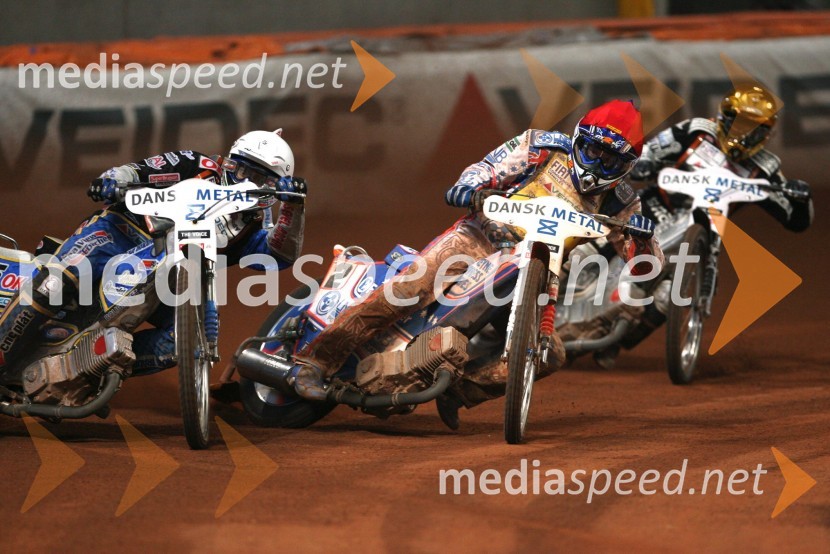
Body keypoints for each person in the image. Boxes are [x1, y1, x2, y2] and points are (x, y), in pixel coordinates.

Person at [291, 99, 663, 429]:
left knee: (549, 354)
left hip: (538, 271)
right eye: (593, 151)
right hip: (478, 239)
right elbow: (489, 167)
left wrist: (643, 238)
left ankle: (457, 391)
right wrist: (469, 186)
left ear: (627, 166)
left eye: (611, 159)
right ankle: (315, 361)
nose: (598, 164)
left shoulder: (622, 201)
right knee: (408, 289)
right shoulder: (544, 146)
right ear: (578, 138)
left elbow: (646, 266)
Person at [0, 129, 307, 376]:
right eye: (243, 171)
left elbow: (278, 256)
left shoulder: (253, 224)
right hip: (119, 234)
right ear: (230, 164)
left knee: (183, 343)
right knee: (56, 281)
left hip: (176, 279)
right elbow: (142, 170)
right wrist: (113, 180)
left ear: (274, 188)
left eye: (262, 181)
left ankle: (92, 370)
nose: (247, 184)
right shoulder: (195, 166)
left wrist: (294, 206)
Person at [616, 84, 814, 351]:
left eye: (753, 130)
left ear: (765, 134)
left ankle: (617, 342)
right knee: (602, 237)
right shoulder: (697, 130)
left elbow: (795, 219)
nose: (743, 136)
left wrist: (802, 199)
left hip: (702, 232)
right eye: (739, 125)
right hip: (655, 208)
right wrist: (644, 165)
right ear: (725, 118)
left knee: (668, 298)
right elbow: (649, 151)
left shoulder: (764, 167)